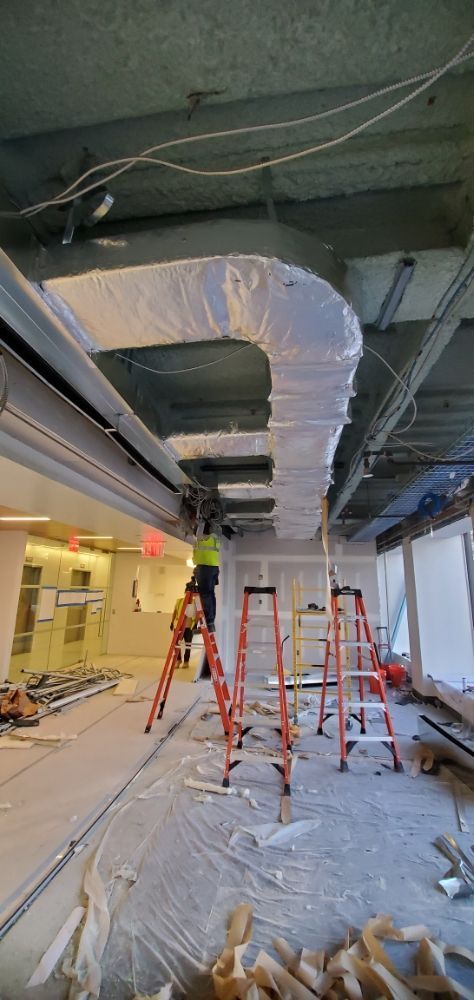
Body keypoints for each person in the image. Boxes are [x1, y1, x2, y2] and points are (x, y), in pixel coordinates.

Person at [193, 522, 220, 631]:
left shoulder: (200, 539)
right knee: (210, 594)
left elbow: (196, 532)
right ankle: (211, 621)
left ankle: (209, 622)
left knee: (205, 595)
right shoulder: (215, 539)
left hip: (204, 568)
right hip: (213, 568)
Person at [170, 581, 197, 667]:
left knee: (188, 644)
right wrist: (171, 622)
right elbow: (175, 612)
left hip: (189, 627)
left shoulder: (194, 602)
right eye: (186, 593)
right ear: (185, 593)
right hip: (178, 626)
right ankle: (178, 661)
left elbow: (196, 615)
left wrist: (196, 624)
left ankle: (186, 662)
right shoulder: (179, 601)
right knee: (176, 644)